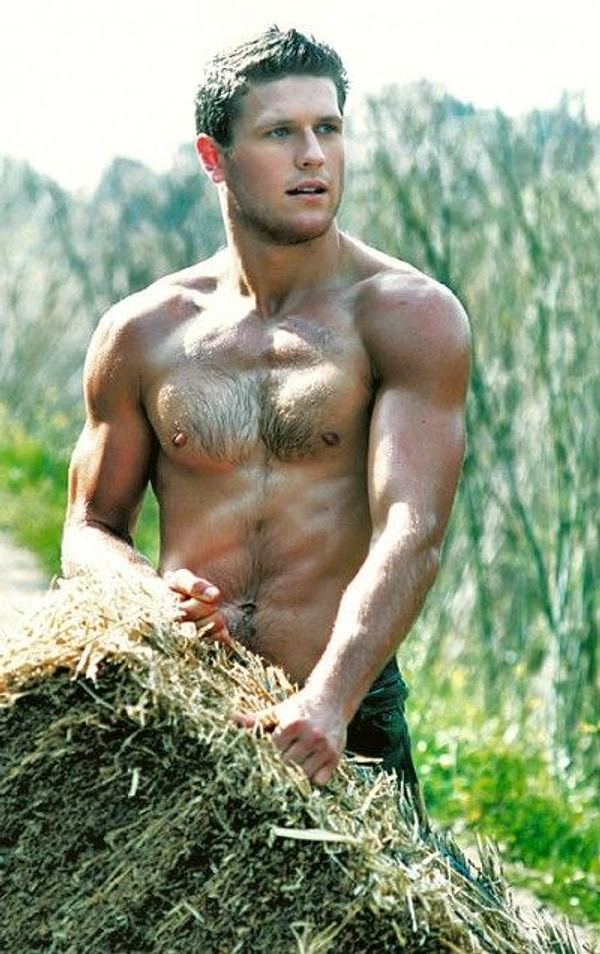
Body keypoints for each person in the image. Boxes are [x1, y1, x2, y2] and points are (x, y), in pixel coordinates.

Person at [61, 26, 470, 815]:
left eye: (329, 129)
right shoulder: (144, 332)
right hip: (186, 701)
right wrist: (147, 597)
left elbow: (413, 530)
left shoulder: (408, 316)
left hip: (343, 710)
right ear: (213, 157)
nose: (313, 156)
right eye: (281, 133)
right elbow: (89, 528)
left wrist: (331, 697)